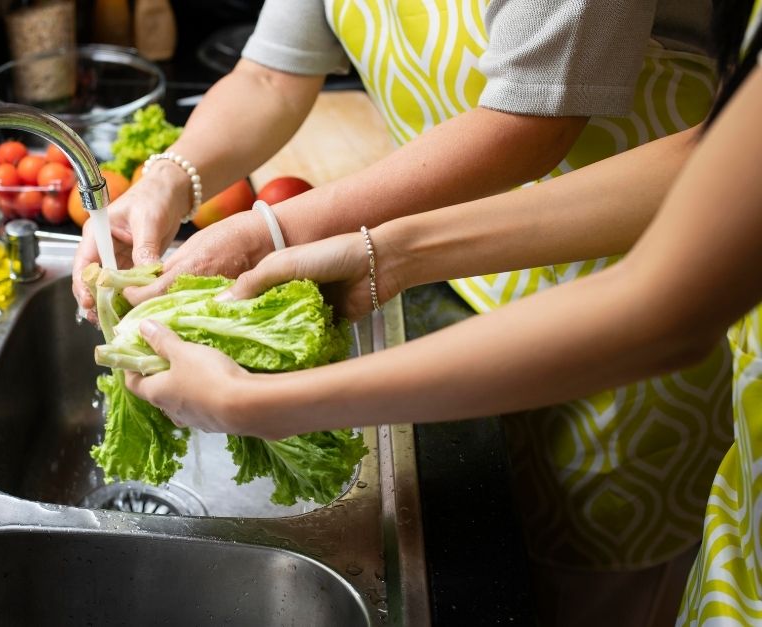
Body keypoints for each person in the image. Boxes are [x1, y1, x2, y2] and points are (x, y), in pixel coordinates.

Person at [75, 0, 730, 622]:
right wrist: (169, 180)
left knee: (580, 595)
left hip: (616, 324)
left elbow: (544, 127)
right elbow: (271, 74)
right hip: (452, 275)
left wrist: (279, 256)